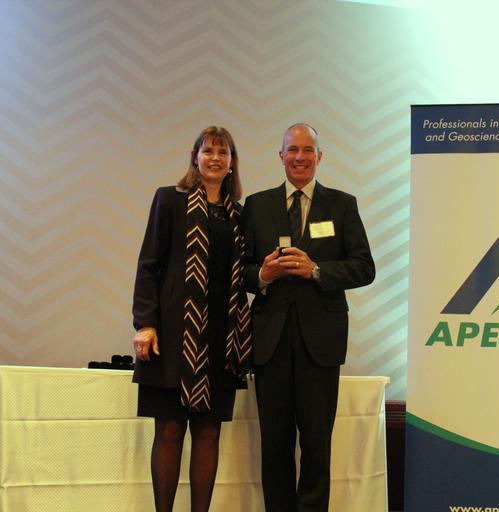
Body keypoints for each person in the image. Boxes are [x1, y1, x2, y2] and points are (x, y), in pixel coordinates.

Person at [242, 123, 375, 511]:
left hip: (321, 340)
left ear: (320, 156)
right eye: (292, 150)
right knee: (275, 442)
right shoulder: (257, 205)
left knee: (317, 443)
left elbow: (364, 267)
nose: (299, 157)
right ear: (280, 156)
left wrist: (316, 270)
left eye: (307, 150)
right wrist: (263, 274)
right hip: (270, 340)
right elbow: (238, 270)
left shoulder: (342, 205)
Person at [131, 126, 251, 512]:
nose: (215, 158)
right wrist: (145, 323)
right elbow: (149, 265)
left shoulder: (238, 215)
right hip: (172, 336)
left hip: (220, 339)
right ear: (195, 157)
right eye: (208, 151)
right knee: (169, 431)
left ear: (231, 163)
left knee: (208, 433)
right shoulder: (170, 200)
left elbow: (245, 274)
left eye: (223, 152)